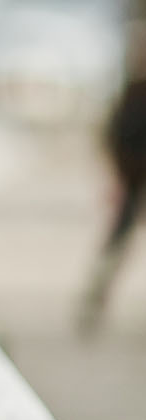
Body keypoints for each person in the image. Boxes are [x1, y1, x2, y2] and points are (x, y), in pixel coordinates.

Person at [79, 24, 146, 337]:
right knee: (117, 242)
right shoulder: (130, 95)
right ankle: (95, 300)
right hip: (132, 177)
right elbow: (111, 137)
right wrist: (116, 178)